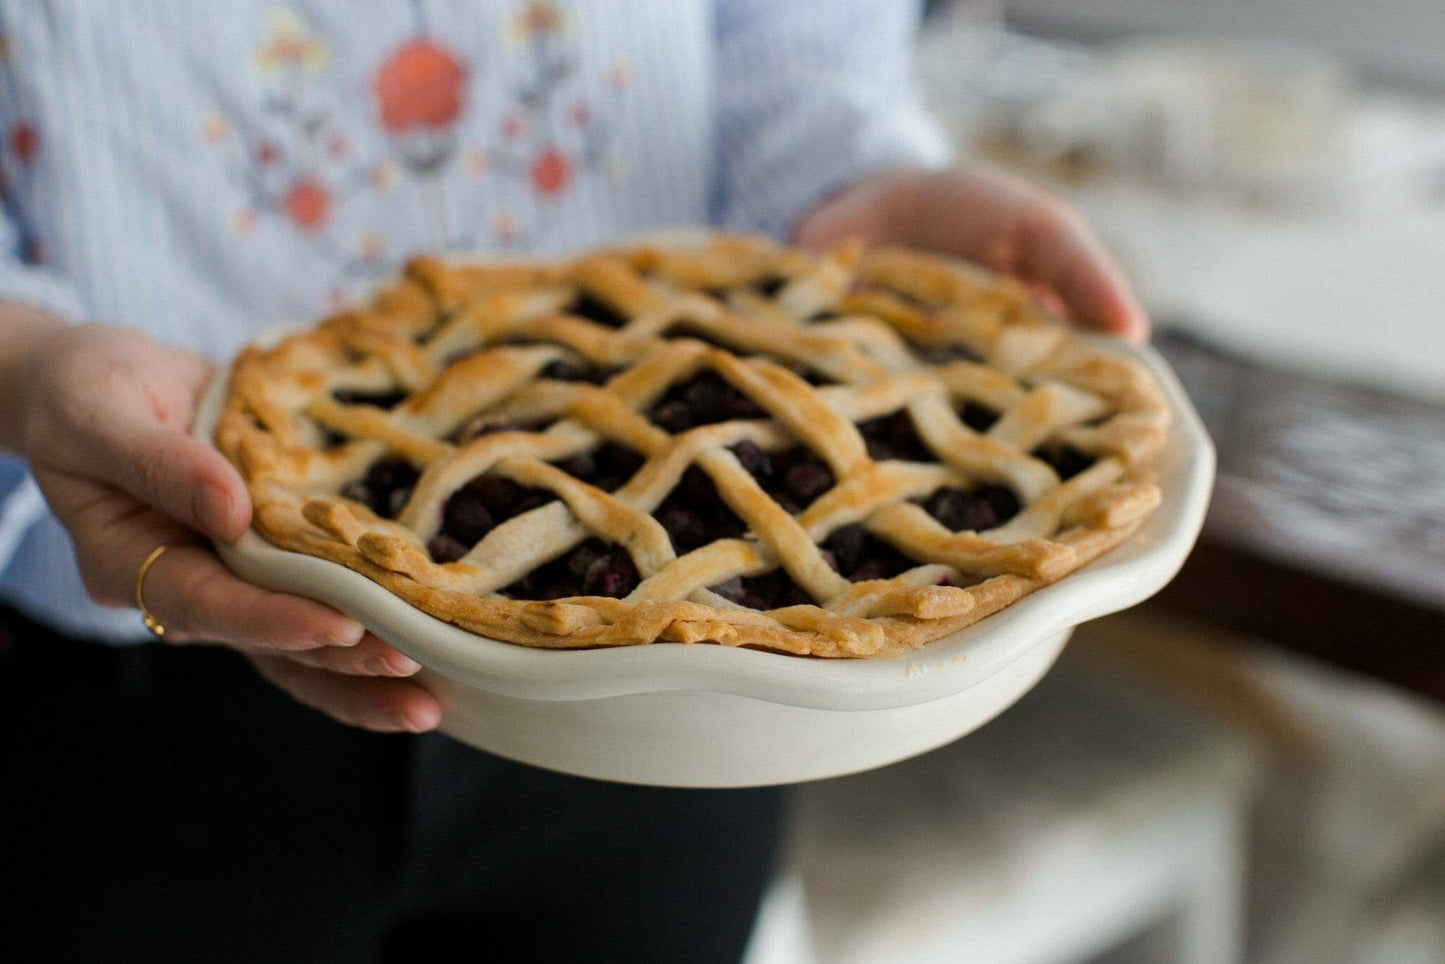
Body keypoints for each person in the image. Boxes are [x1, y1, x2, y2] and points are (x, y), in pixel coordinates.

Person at [0, 2, 1147, 961]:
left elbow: (792, 46)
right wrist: (22, 365)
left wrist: (849, 179)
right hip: (138, 715)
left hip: (686, 710)